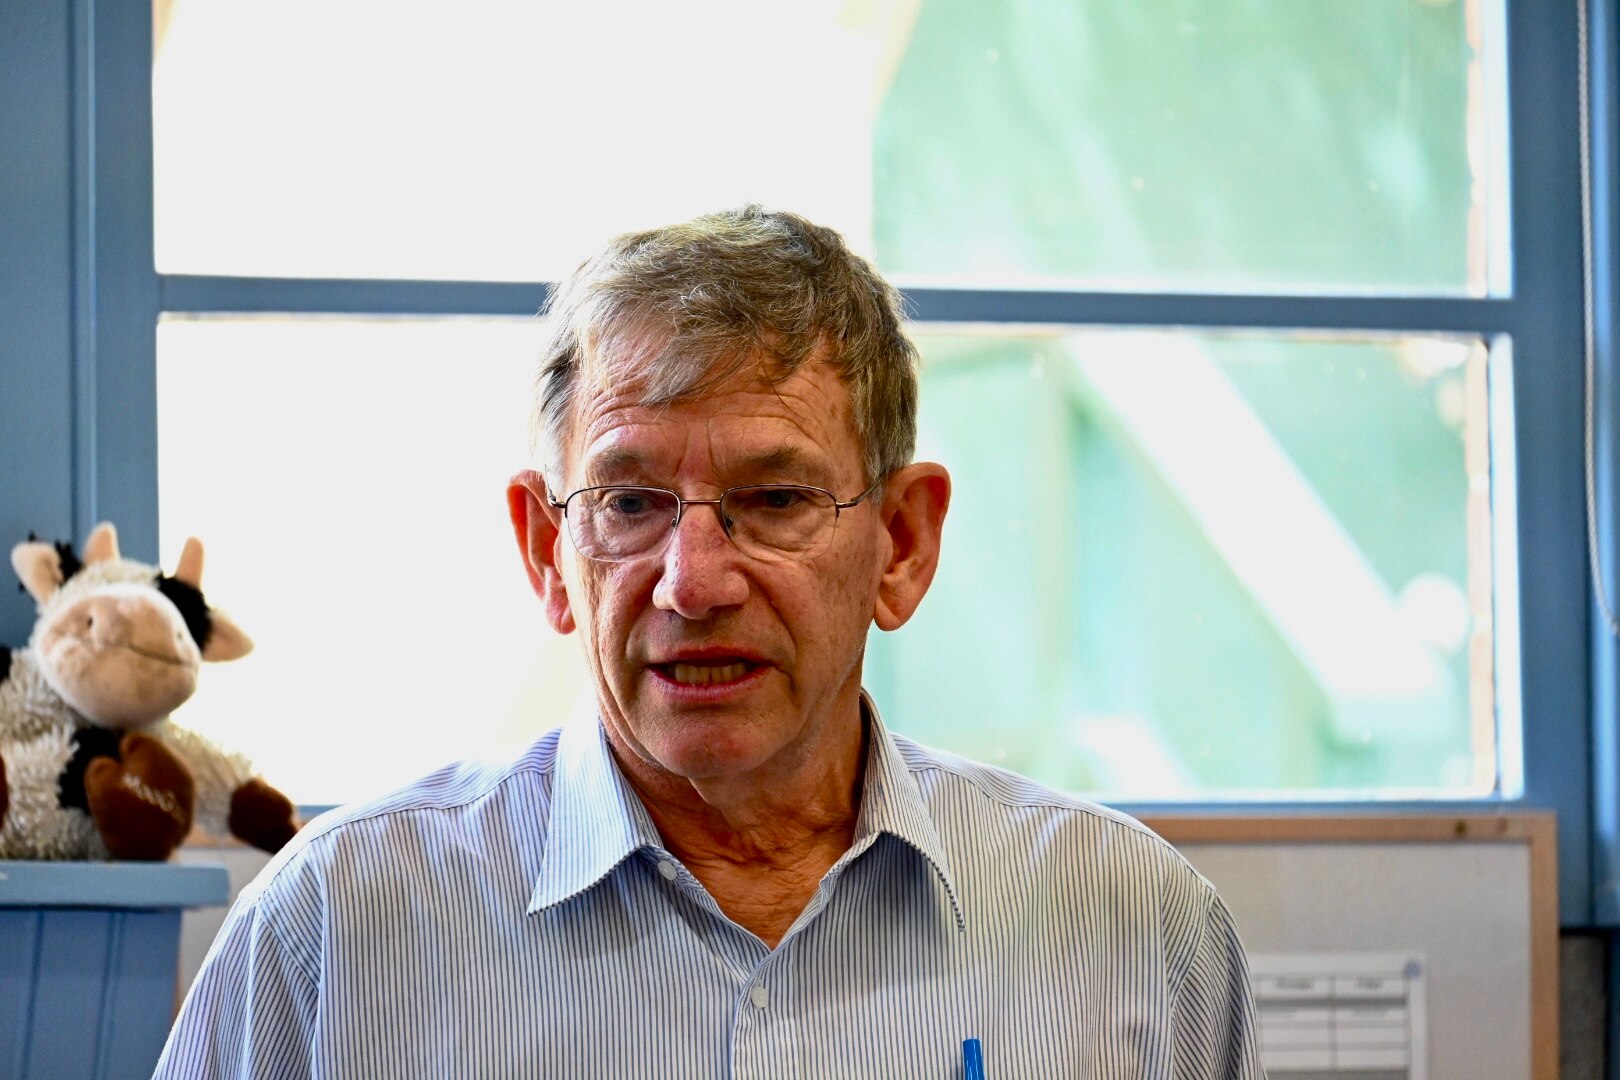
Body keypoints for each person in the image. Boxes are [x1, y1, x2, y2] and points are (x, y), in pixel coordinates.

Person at [157, 206, 1264, 1078]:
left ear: (903, 543)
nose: (692, 582)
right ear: (549, 552)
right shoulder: (335, 938)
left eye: (775, 497)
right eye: (629, 503)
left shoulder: (1132, 928)